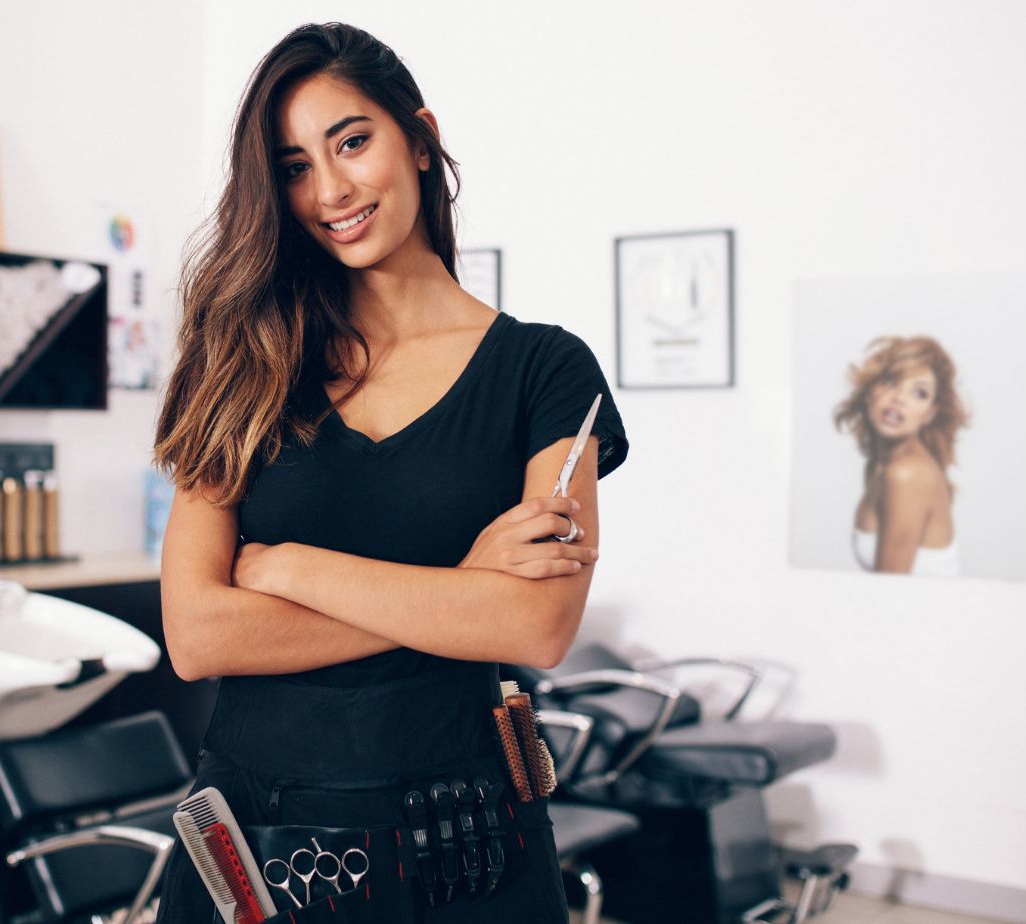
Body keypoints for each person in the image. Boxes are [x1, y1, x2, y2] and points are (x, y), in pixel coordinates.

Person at [151, 22, 628, 922]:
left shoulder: (546, 371)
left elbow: (535, 625)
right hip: (263, 841)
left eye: (352, 141)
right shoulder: (241, 357)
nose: (330, 190)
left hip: (469, 836)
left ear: (418, 136)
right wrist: (459, 593)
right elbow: (199, 633)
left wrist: (290, 568)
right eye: (293, 165)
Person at [833, 335, 967, 577]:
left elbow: (890, 594)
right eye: (891, 381)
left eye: (919, 393)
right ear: (869, 389)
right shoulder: (879, 465)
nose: (899, 398)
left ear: (930, 413)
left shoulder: (907, 474)